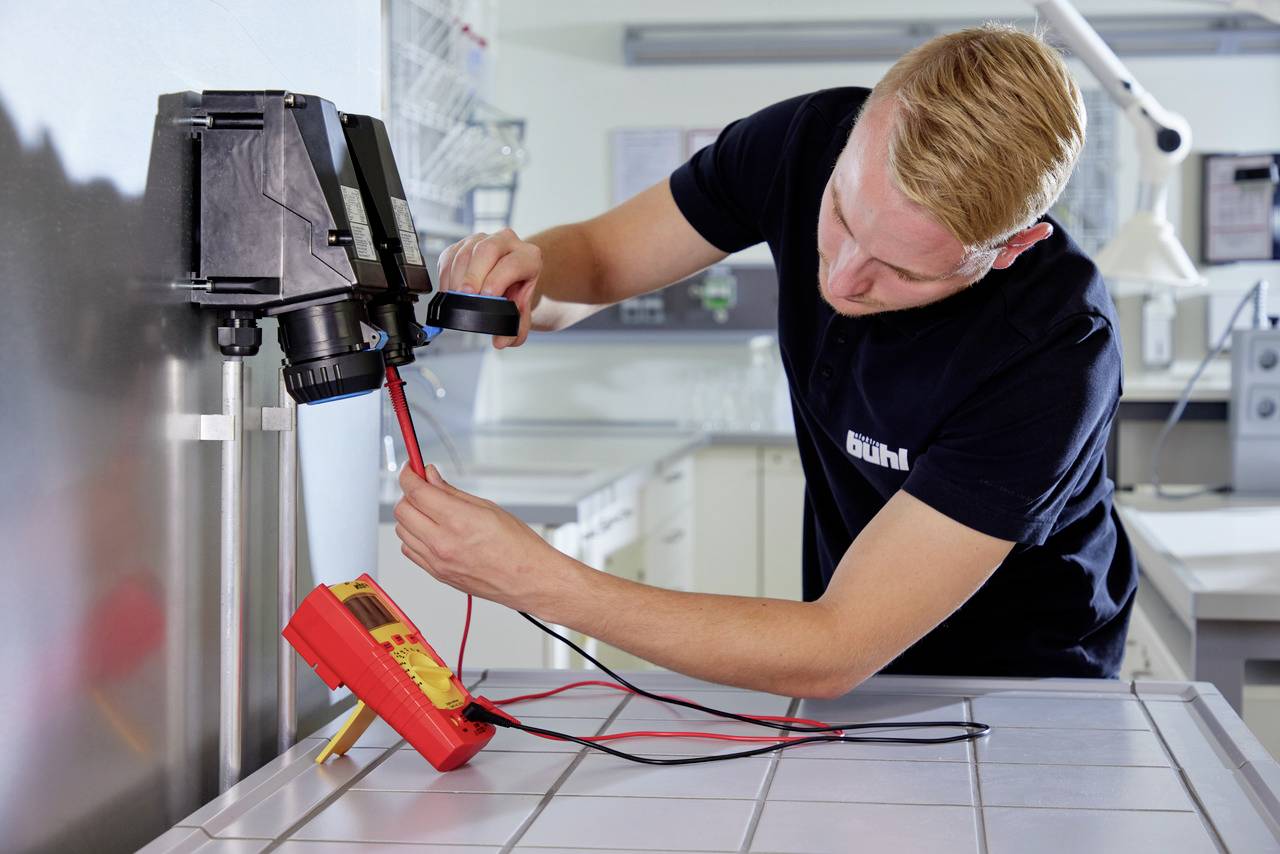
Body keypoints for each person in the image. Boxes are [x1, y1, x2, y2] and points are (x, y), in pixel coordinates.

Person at [392, 24, 1136, 698]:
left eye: (904, 272)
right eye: (842, 215)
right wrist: (528, 272)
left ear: (1011, 248)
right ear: (859, 128)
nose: (842, 281)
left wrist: (535, 579)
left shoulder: (1057, 352)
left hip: (1026, 689)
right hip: (848, 673)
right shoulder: (806, 140)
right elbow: (598, 261)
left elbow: (834, 647)